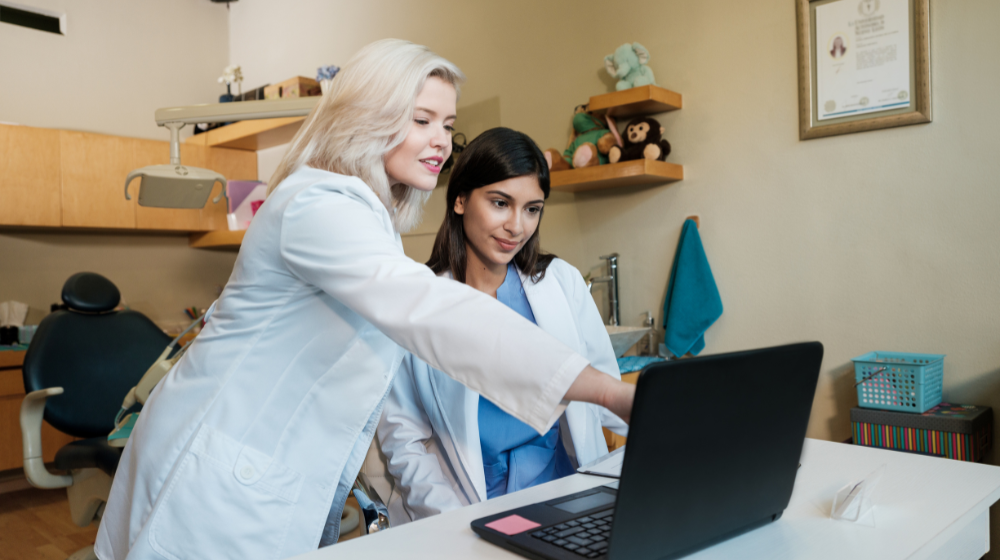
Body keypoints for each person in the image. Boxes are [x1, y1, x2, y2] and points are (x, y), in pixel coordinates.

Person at [94, 39, 635, 560]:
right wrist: (607, 392)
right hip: (218, 480)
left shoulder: (367, 219)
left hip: (268, 475)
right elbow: (432, 313)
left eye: (447, 125)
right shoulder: (318, 203)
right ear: (366, 115)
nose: (442, 141)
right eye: (421, 120)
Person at [377, 128, 628, 523]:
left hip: (565, 495)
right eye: (500, 203)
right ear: (460, 200)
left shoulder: (560, 282)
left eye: (532, 209)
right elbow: (404, 438)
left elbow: (608, 396)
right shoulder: (420, 301)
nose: (517, 226)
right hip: (469, 505)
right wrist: (453, 522)